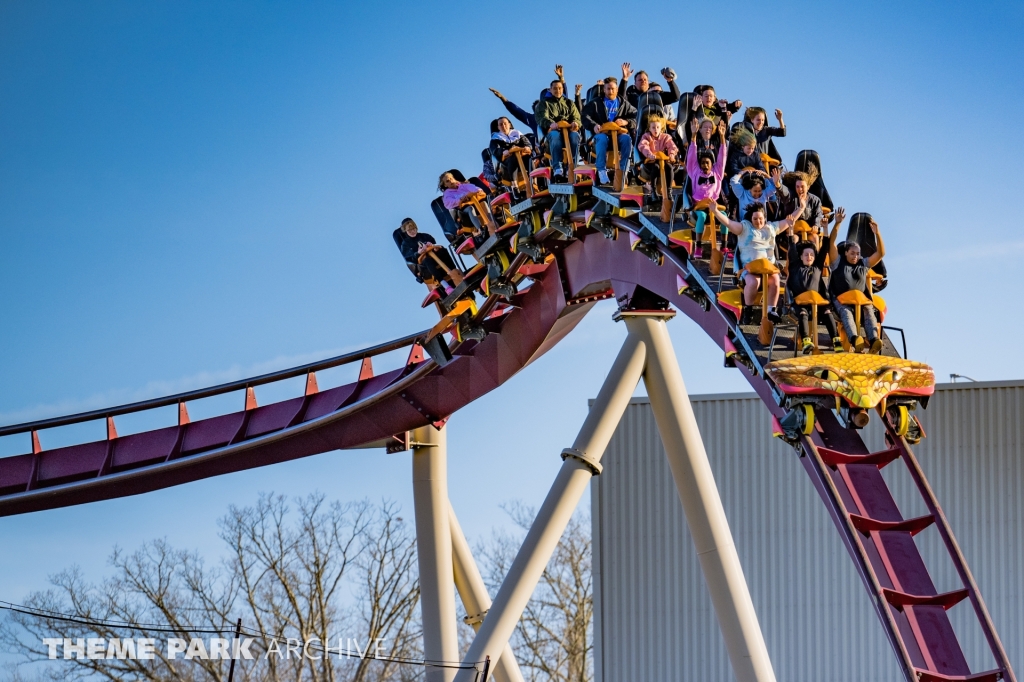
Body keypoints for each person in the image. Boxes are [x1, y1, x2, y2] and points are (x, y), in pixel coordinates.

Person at [709, 199, 805, 323]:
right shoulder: (745, 227)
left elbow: (788, 221)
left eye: (760, 219)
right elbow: (729, 223)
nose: (758, 221)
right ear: (751, 219)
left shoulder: (771, 227)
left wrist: (801, 208)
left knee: (775, 280)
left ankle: (771, 310)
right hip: (750, 268)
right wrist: (715, 211)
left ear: (764, 218)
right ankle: (748, 310)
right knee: (755, 282)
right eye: (755, 219)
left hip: (768, 268)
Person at [788, 207, 846, 353]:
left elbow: (825, 247)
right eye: (806, 255)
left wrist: (825, 228)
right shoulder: (796, 266)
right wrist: (790, 228)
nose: (809, 257)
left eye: (812, 255)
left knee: (827, 313)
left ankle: (836, 340)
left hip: (817, 303)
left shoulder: (817, 268)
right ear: (801, 257)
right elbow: (791, 247)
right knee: (802, 313)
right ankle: (807, 340)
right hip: (800, 303)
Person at [829, 217, 887, 353]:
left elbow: (881, 253)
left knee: (869, 311)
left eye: (858, 254)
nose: (855, 256)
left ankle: (873, 340)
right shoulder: (837, 262)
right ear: (846, 253)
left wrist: (877, 233)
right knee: (846, 312)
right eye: (852, 253)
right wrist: (837, 223)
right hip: (841, 300)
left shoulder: (863, 264)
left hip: (861, 301)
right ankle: (855, 339)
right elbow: (831, 243)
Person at [582, 77, 637, 185]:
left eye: (613, 89)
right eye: (608, 89)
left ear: (617, 89)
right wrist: (593, 125)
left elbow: (636, 116)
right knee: (602, 139)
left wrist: (626, 122)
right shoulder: (595, 103)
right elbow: (585, 116)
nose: (610, 91)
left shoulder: (624, 104)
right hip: (602, 134)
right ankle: (602, 170)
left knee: (627, 139)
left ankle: (623, 170)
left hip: (618, 134)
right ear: (604, 90)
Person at [685, 119, 728, 254]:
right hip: (699, 207)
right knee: (702, 217)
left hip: (714, 207)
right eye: (702, 163)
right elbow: (691, 155)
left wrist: (722, 137)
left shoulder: (717, 173)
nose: (705, 165)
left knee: (724, 215)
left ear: (712, 164)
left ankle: (725, 245)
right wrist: (693, 135)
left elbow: (722, 156)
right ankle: (698, 246)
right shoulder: (695, 172)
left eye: (707, 163)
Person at [536, 79, 581, 181]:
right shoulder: (544, 104)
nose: (558, 90)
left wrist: (575, 123)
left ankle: (574, 166)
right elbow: (542, 117)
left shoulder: (569, 103)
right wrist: (551, 124)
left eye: (560, 88)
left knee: (575, 136)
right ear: (550, 90)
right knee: (555, 136)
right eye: (555, 88)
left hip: (568, 132)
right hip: (553, 133)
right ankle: (558, 168)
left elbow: (576, 116)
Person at [395, 218, 456, 290]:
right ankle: (445, 285)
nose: (412, 231)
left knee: (443, 250)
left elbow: (434, 243)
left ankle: (454, 271)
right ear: (405, 231)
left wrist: (433, 246)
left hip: (434, 257)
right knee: (427, 260)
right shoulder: (405, 245)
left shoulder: (425, 236)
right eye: (410, 230)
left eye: (414, 229)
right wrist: (418, 253)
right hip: (423, 266)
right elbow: (410, 258)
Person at [621, 63, 680, 136]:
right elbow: (621, 99)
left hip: (657, 130)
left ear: (648, 83)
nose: (643, 81)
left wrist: (670, 81)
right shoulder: (631, 96)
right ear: (635, 83)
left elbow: (676, 97)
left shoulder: (656, 95)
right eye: (640, 80)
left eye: (645, 79)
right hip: (636, 130)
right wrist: (625, 79)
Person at [489, 117, 532, 187]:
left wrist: (528, 147)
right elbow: (495, 149)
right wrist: (503, 151)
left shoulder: (517, 133)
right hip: (506, 159)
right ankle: (514, 186)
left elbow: (526, 142)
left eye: (505, 124)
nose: (503, 126)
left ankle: (534, 180)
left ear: (509, 124)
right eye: (501, 125)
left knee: (528, 158)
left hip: (521, 155)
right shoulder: (495, 138)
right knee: (512, 159)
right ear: (498, 127)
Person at [637, 115, 678, 185]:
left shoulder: (666, 137)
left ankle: (669, 190)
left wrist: (671, 154)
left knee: (669, 167)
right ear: (649, 128)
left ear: (661, 129)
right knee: (656, 167)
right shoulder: (646, 136)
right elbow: (643, 146)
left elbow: (672, 146)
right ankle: (654, 190)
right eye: (653, 127)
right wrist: (649, 154)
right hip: (651, 161)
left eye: (657, 127)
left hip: (664, 160)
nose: (655, 129)